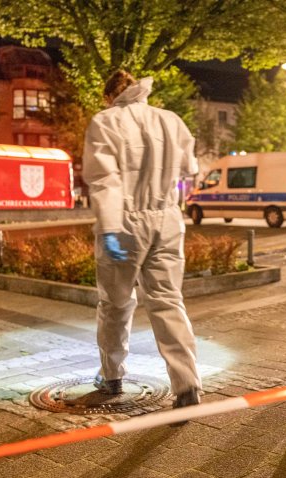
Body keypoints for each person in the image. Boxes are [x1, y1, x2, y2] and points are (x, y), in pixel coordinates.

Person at [83, 70, 202, 409]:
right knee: (167, 300)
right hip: (167, 218)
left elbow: (104, 182)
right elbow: (189, 167)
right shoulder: (171, 120)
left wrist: (108, 229)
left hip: (124, 221)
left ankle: (111, 375)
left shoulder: (105, 122)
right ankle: (187, 384)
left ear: (110, 96)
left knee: (115, 303)